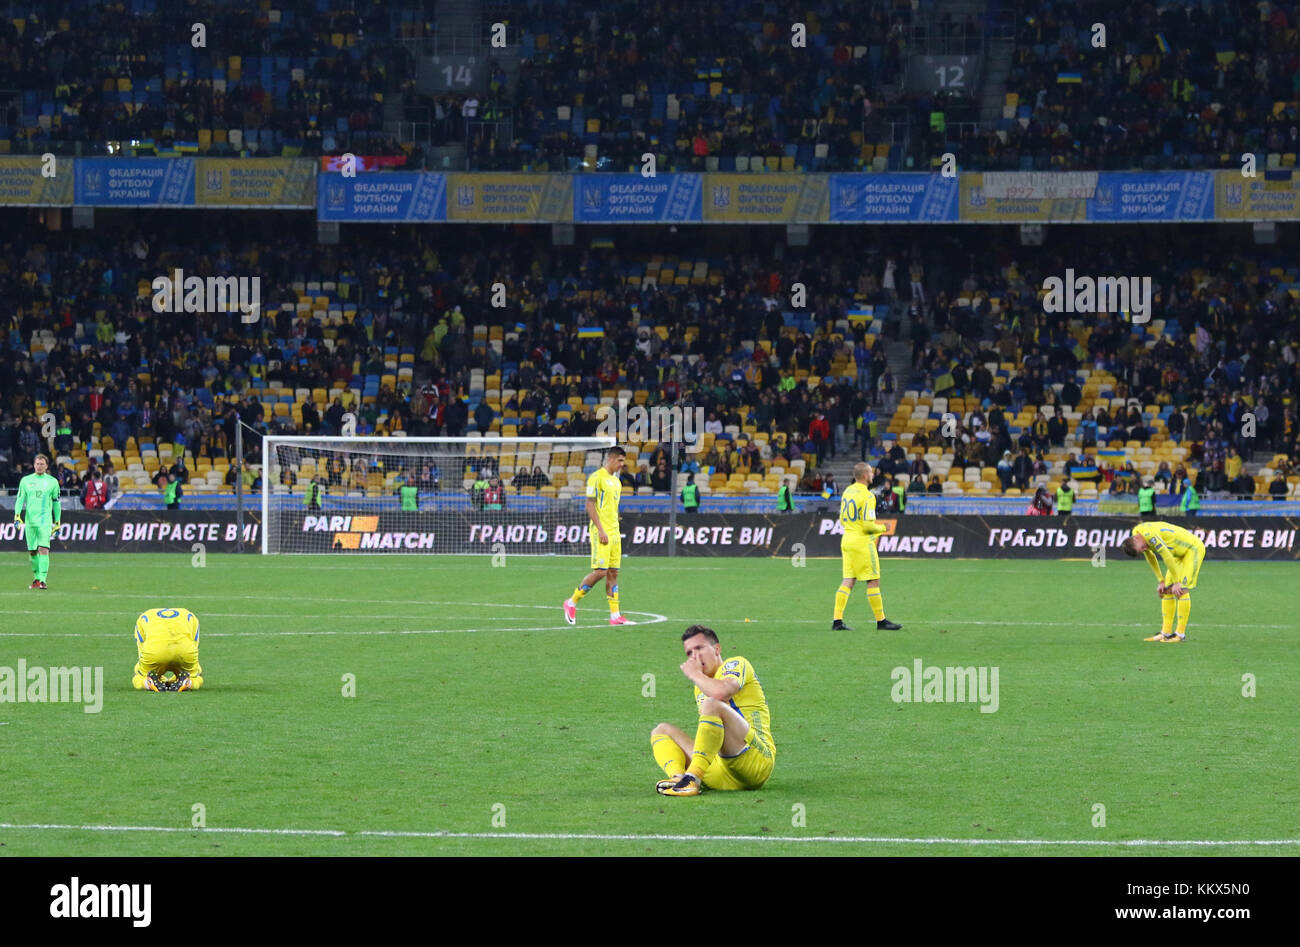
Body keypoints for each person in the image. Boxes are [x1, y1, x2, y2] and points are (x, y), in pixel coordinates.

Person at [650, 625, 775, 797]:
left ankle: (693, 778)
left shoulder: (736, 664)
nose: (695, 656)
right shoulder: (700, 686)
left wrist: (695, 675)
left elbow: (721, 692)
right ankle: (680, 780)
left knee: (713, 704)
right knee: (662, 730)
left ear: (717, 649)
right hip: (720, 771)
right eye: (689, 653)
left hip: (755, 762)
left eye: (699, 648)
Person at [563, 447, 633, 626]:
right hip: (601, 531)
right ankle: (571, 602)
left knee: (613, 572)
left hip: (615, 532)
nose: (622, 464)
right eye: (620, 461)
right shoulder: (596, 477)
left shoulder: (617, 482)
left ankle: (615, 616)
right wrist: (601, 530)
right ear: (611, 459)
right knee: (600, 572)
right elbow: (590, 504)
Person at [831, 461, 902, 631]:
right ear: (865, 475)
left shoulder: (847, 491)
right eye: (870, 472)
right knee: (873, 580)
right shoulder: (868, 496)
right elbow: (867, 526)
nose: (873, 475)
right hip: (862, 542)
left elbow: (842, 518)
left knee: (848, 580)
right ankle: (881, 621)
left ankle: (837, 621)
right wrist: (883, 528)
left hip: (847, 539)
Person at [1121, 522, 1207, 643]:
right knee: (1166, 590)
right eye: (1142, 550)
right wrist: (1161, 580)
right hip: (1177, 556)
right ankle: (1165, 633)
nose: (1144, 549)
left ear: (1136, 539)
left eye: (1142, 547)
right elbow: (1150, 557)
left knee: (1181, 589)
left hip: (1192, 550)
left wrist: (1177, 581)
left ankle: (1180, 634)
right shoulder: (1137, 532)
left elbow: (1166, 556)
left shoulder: (1149, 535)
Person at [14, 453, 61, 590]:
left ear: (46, 466)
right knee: (33, 552)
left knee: (43, 549)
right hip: (30, 522)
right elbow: (20, 499)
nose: (39, 466)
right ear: (34, 465)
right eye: (37, 464)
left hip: (45, 521)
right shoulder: (25, 481)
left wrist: (57, 522)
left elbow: (56, 504)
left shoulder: (52, 482)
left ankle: (43, 581)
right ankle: (37, 578)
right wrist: (17, 516)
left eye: (42, 464)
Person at [133, 606, 204, 691]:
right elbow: (194, 643)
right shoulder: (189, 615)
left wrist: (152, 675)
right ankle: (188, 682)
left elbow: (142, 646)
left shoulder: (144, 616)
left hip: (155, 652)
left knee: (139, 676)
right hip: (184, 651)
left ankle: (148, 683)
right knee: (196, 676)